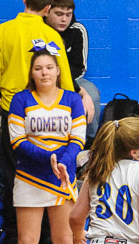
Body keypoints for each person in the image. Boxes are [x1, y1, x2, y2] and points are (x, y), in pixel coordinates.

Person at [0, 0, 76, 244]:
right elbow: (63, 76)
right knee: (52, 169)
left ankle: (16, 234)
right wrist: (67, 105)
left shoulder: (4, 30)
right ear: (47, 8)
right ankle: (47, 234)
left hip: (15, 111)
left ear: (24, 1)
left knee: (14, 173)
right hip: (52, 112)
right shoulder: (51, 33)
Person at [5, 48, 84, 244]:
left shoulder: (73, 100)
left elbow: (78, 140)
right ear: (31, 72)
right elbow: (17, 141)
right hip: (29, 177)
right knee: (27, 241)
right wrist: (48, 157)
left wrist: (62, 162)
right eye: (38, 68)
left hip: (62, 177)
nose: (44, 72)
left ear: (58, 70)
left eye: (49, 67)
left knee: (64, 240)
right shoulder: (21, 100)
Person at [44, 0, 101, 142]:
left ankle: (89, 142)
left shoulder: (77, 30)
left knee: (92, 95)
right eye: (59, 14)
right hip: (42, 79)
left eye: (68, 15)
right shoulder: (39, 30)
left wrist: (65, 84)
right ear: (47, 11)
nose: (64, 19)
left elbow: (79, 67)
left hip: (73, 79)